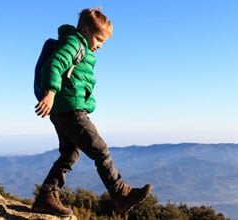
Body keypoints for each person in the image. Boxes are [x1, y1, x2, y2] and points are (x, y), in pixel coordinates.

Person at [32, 7, 151, 218]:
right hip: (71, 110)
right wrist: (50, 92)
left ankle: (46, 196)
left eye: (103, 42)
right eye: (98, 39)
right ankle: (120, 193)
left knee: (69, 154)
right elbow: (54, 64)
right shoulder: (74, 44)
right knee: (101, 151)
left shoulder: (79, 47)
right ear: (85, 31)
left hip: (63, 111)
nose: (100, 46)